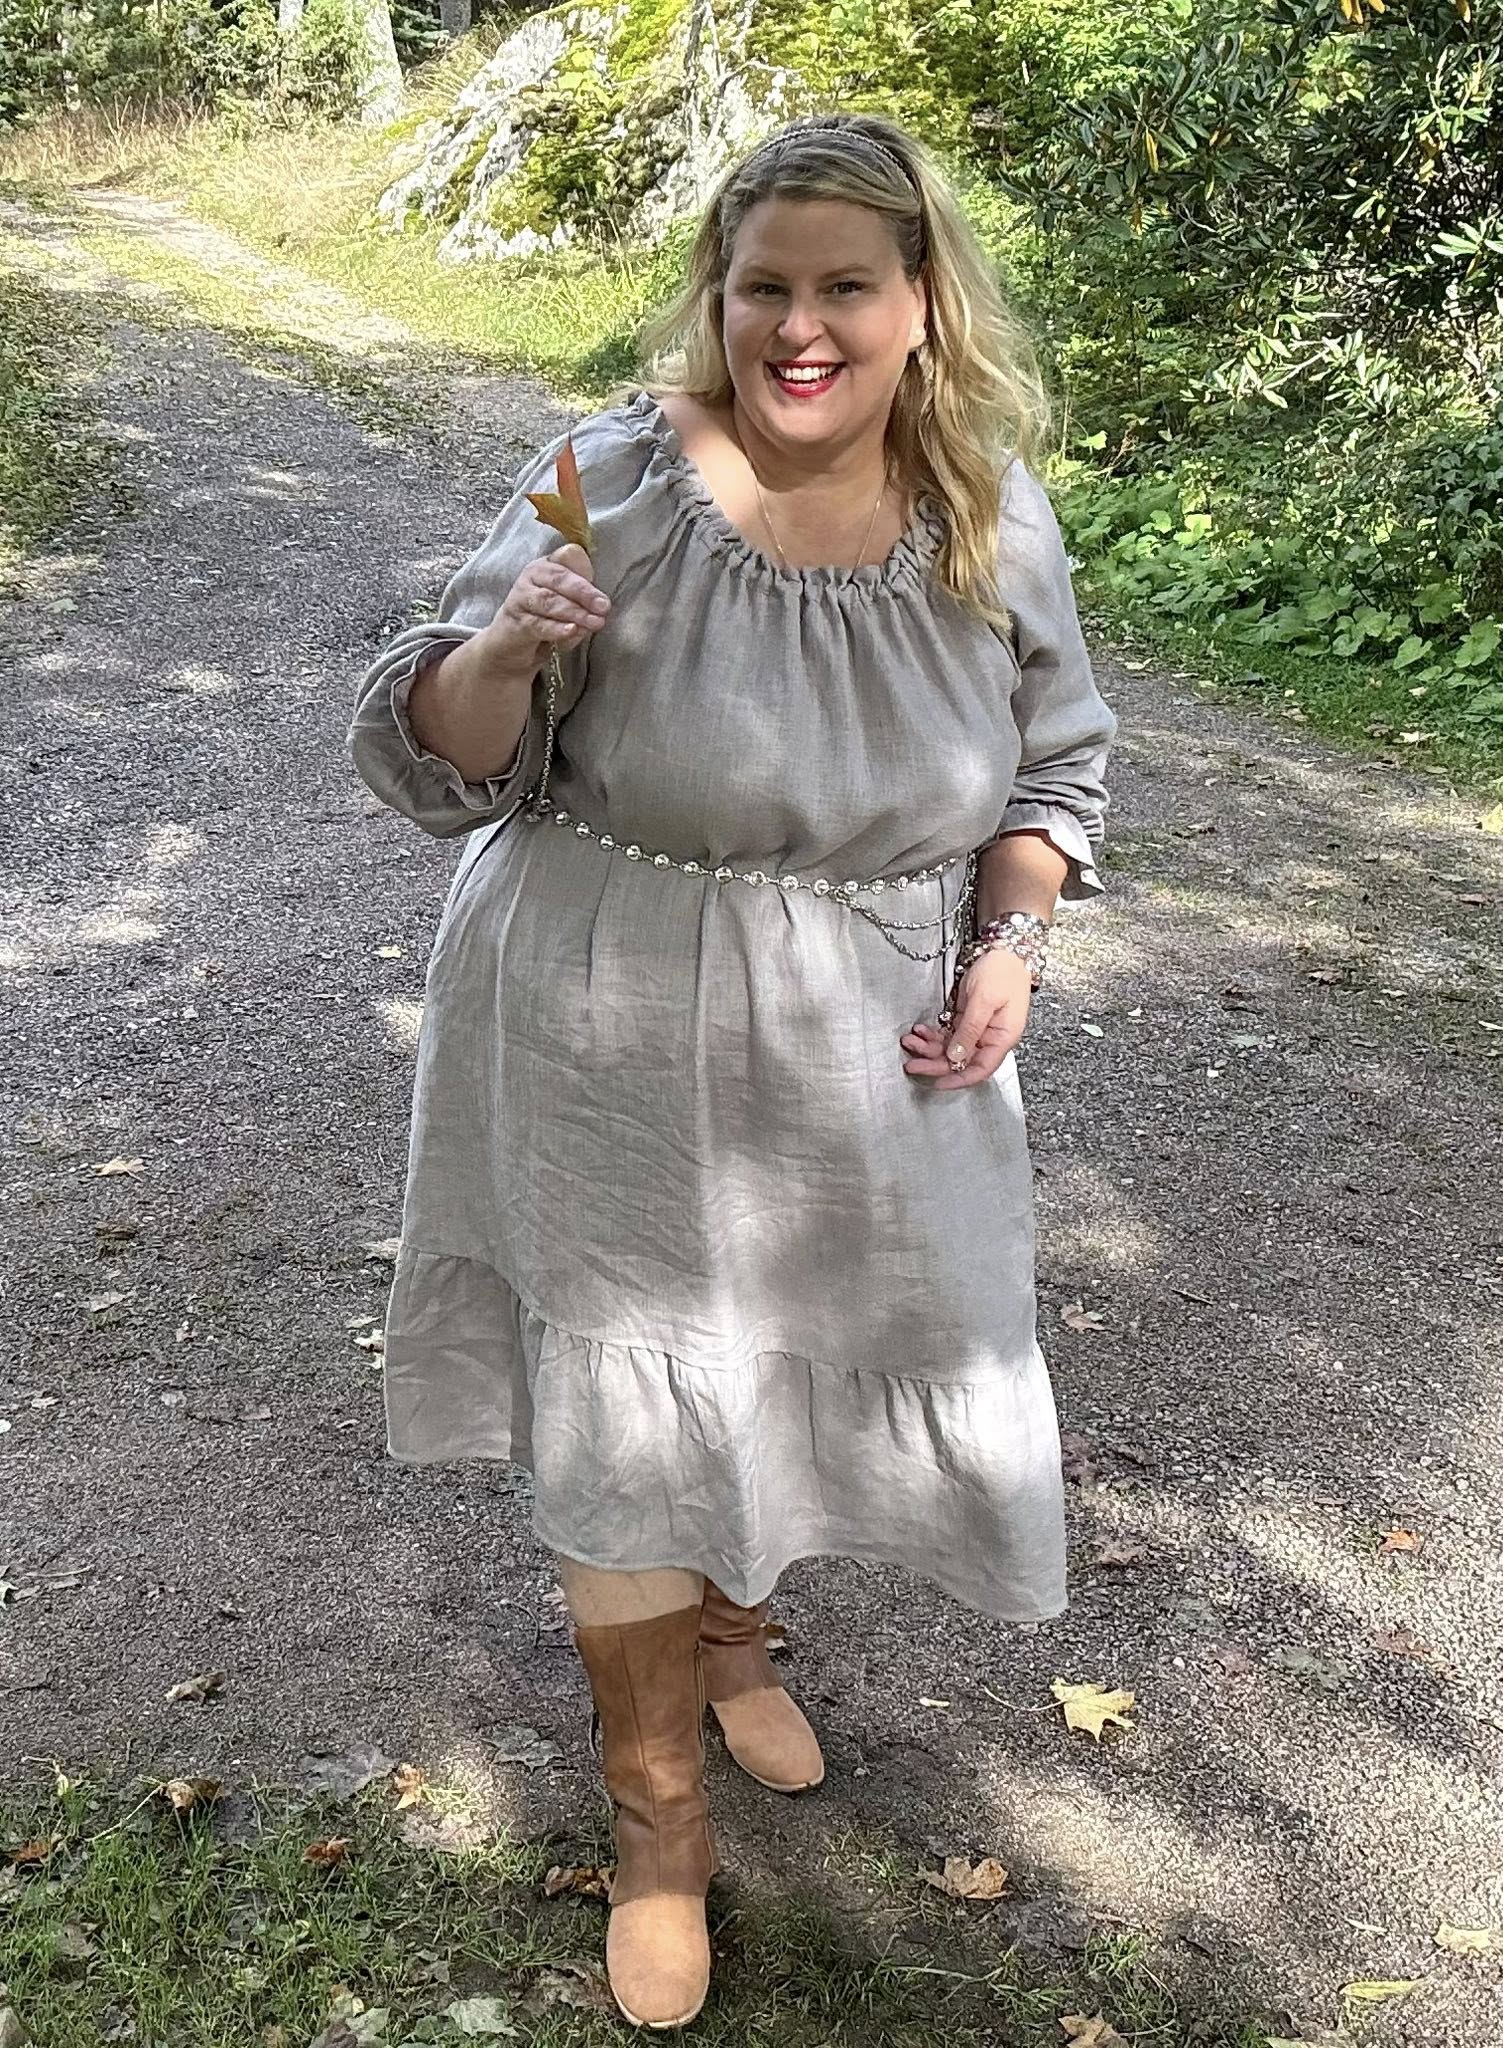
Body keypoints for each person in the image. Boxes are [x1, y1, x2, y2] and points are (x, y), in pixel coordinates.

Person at [350, 110, 1116, 2031]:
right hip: (597, 1005)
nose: (800, 326)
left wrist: (1011, 945)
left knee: (807, 1342)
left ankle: (738, 1640)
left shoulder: (988, 509)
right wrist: (501, 655)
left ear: (920, 301)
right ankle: (657, 1819)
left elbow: (1054, 772)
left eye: (845, 286)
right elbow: (442, 761)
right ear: (716, 290)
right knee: (631, 1398)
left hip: (866, 1026)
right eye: (762, 284)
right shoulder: (597, 477)